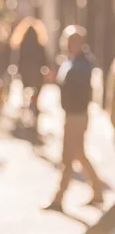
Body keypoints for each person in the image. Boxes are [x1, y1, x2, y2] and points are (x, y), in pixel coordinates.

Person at [43, 25, 103, 213]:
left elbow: (78, 89)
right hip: (70, 113)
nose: (70, 45)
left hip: (77, 114)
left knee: (68, 156)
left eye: (73, 42)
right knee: (77, 154)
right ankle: (97, 190)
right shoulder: (70, 61)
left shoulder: (83, 63)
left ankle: (59, 198)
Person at [10, 18, 49, 130]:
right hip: (36, 73)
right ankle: (34, 110)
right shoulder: (39, 45)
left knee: (25, 93)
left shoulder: (22, 45)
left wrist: (17, 70)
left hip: (26, 73)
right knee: (36, 94)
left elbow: (17, 60)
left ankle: (26, 111)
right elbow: (44, 60)